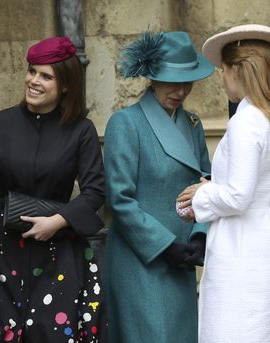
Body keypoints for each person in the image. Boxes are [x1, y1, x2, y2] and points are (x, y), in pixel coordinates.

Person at [0, 36, 106, 343]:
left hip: (57, 252)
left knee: (54, 334)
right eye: (31, 72)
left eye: (46, 76)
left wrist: (57, 222)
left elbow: (95, 191)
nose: (34, 81)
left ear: (65, 84)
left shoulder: (81, 131)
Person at [103, 31, 214, 343]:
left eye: (187, 81)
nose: (180, 91)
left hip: (182, 259)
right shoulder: (126, 123)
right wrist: (165, 247)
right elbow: (120, 200)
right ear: (152, 77)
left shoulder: (192, 124)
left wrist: (200, 236)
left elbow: (206, 183)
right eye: (170, 81)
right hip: (142, 260)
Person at [177, 24, 270, 343]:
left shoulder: (247, 122)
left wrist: (201, 195)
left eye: (224, 70)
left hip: (240, 251)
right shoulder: (263, 117)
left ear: (238, 71)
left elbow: (239, 196)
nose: (222, 78)